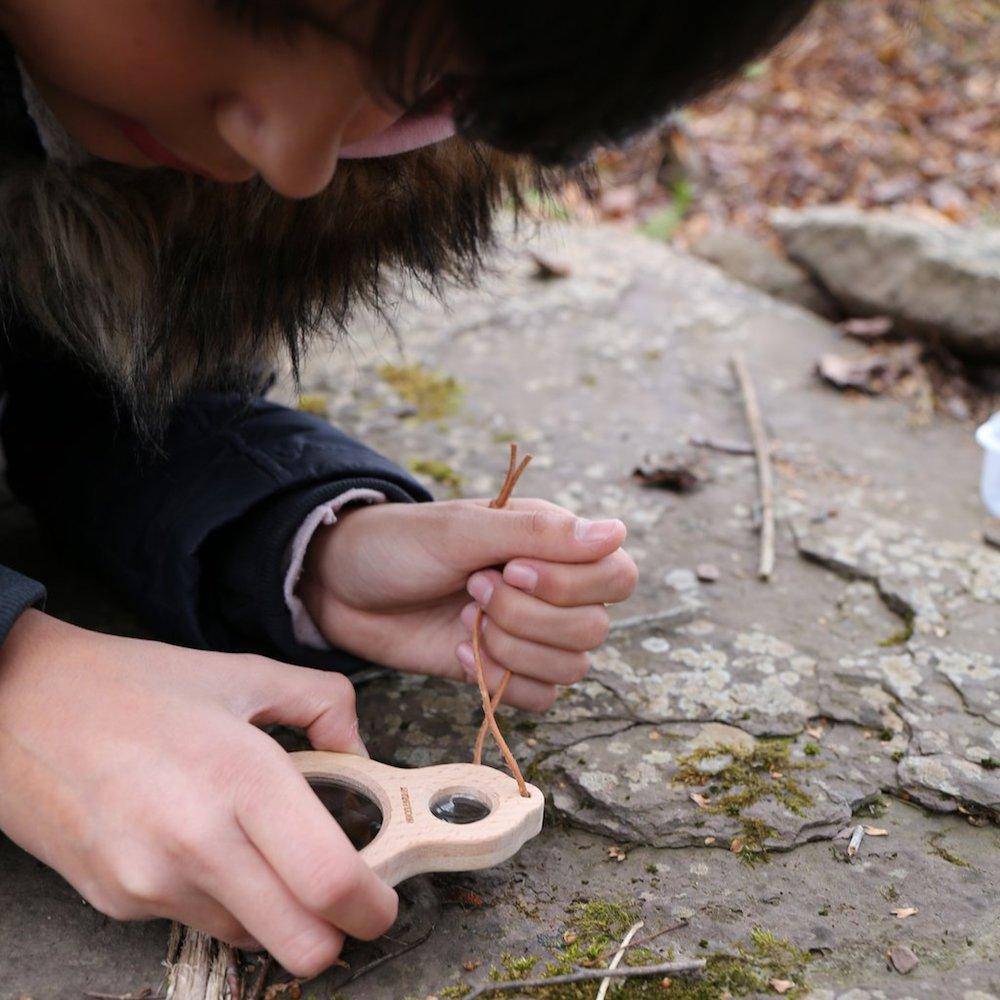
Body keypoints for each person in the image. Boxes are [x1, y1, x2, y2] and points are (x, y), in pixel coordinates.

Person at [0, 0, 815, 978]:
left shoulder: (165, 154)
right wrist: (21, 687)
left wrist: (305, 544)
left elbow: (95, 400)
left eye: (420, 95)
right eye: (264, 10)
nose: (297, 159)